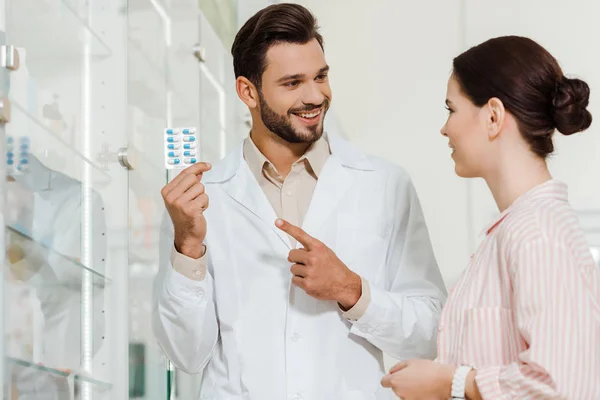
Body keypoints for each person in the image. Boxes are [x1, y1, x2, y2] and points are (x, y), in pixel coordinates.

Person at [153, 3, 446, 399]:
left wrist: (352, 290)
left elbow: (431, 333)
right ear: (247, 91)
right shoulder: (202, 200)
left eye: (321, 77)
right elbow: (186, 355)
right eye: (292, 83)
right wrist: (187, 246)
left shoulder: (384, 184)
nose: (315, 96)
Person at [381, 35, 600, 400]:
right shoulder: (514, 231)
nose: (444, 128)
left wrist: (447, 383)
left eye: (451, 109)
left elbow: (562, 383)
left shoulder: (538, 232)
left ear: (493, 116)